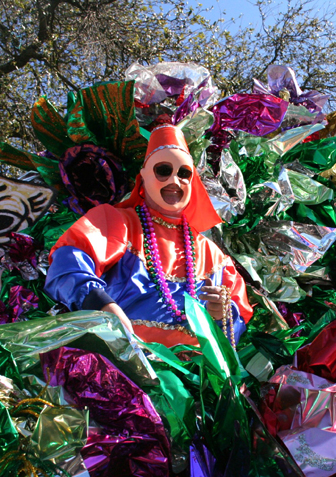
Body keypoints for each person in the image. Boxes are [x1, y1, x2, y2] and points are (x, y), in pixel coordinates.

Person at [44, 124, 252, 347]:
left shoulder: (213, 256)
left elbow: (233, 335)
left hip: (197, 373)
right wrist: (104, 307)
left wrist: (222, 315)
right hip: (126, 362)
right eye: (163, 170)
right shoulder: (115, 221)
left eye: (184, 173)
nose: (175, 181)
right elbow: (66, 266)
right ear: (143, 176)